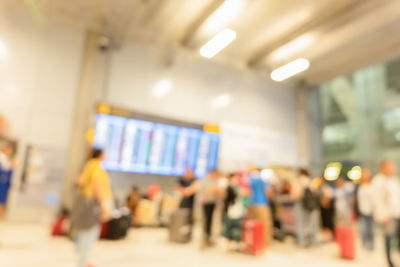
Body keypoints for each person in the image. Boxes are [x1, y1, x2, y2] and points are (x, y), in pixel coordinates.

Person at [74, 148, 113, 267]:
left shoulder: (88, 165)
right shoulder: (97, 166)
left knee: (83, 231)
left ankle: (84, 260)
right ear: (100, 155)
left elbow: (79, 181)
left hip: (83, 201)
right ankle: (83, 261)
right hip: (92, 203)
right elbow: (97, 184)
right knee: (90, 232)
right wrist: (103, 203)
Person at [373, 160, 400, 267]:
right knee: (388, 240)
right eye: (390, 167)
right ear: (383, 168)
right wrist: (382, 216)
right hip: (388, 216)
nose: (392, 169)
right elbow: (377, 200)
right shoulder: (378, 181)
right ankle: (390, 262)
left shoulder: (395, 180)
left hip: (397, 214)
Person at [291, 169, 319, 247]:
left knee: (300, 223)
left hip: (300, 204)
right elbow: (315, 192)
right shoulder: (310, 181)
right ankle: (313, 240)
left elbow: (294, 195)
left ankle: (302, 241)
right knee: (312, 223)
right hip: (309, 205)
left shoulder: (297, 181)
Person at [247, 168, 274, 247]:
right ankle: (265, 243)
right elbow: (269, 193)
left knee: (253, 225)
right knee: (265, 226)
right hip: (262, 205)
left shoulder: (252, 180)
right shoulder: (264, 180)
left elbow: (248, 192)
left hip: (252, 204)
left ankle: (254, 242)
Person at [199, 169, 222, 248]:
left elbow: (219, 191)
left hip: (212, 203)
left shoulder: (216, 181)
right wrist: (216, 190)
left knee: (210, 221)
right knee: (206, 221)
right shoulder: (206, 180)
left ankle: (209, 238)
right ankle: (204, 239)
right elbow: (210, 190)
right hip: (206, 203)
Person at [357, 168, 375, 251]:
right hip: (362, 212)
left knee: (371, 230)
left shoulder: (372, 185)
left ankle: (371, 246)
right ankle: (363, 246)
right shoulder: (358, 186)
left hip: (371, 211)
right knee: (363, 230)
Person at [317, 176, 335, 242]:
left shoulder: (326, 187)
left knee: (328, 223)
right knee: (323, 223)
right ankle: (326, 238)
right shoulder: (319, 188)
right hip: (322, 208)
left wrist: (324, 202)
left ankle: (331, 237)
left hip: (327, 208)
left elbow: (328, 197)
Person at [0, 142, 14, 219]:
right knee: (1, 201)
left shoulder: (5, 158)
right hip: (2, 183)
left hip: (3, 183)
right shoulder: (2, 157)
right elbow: (7, 170)